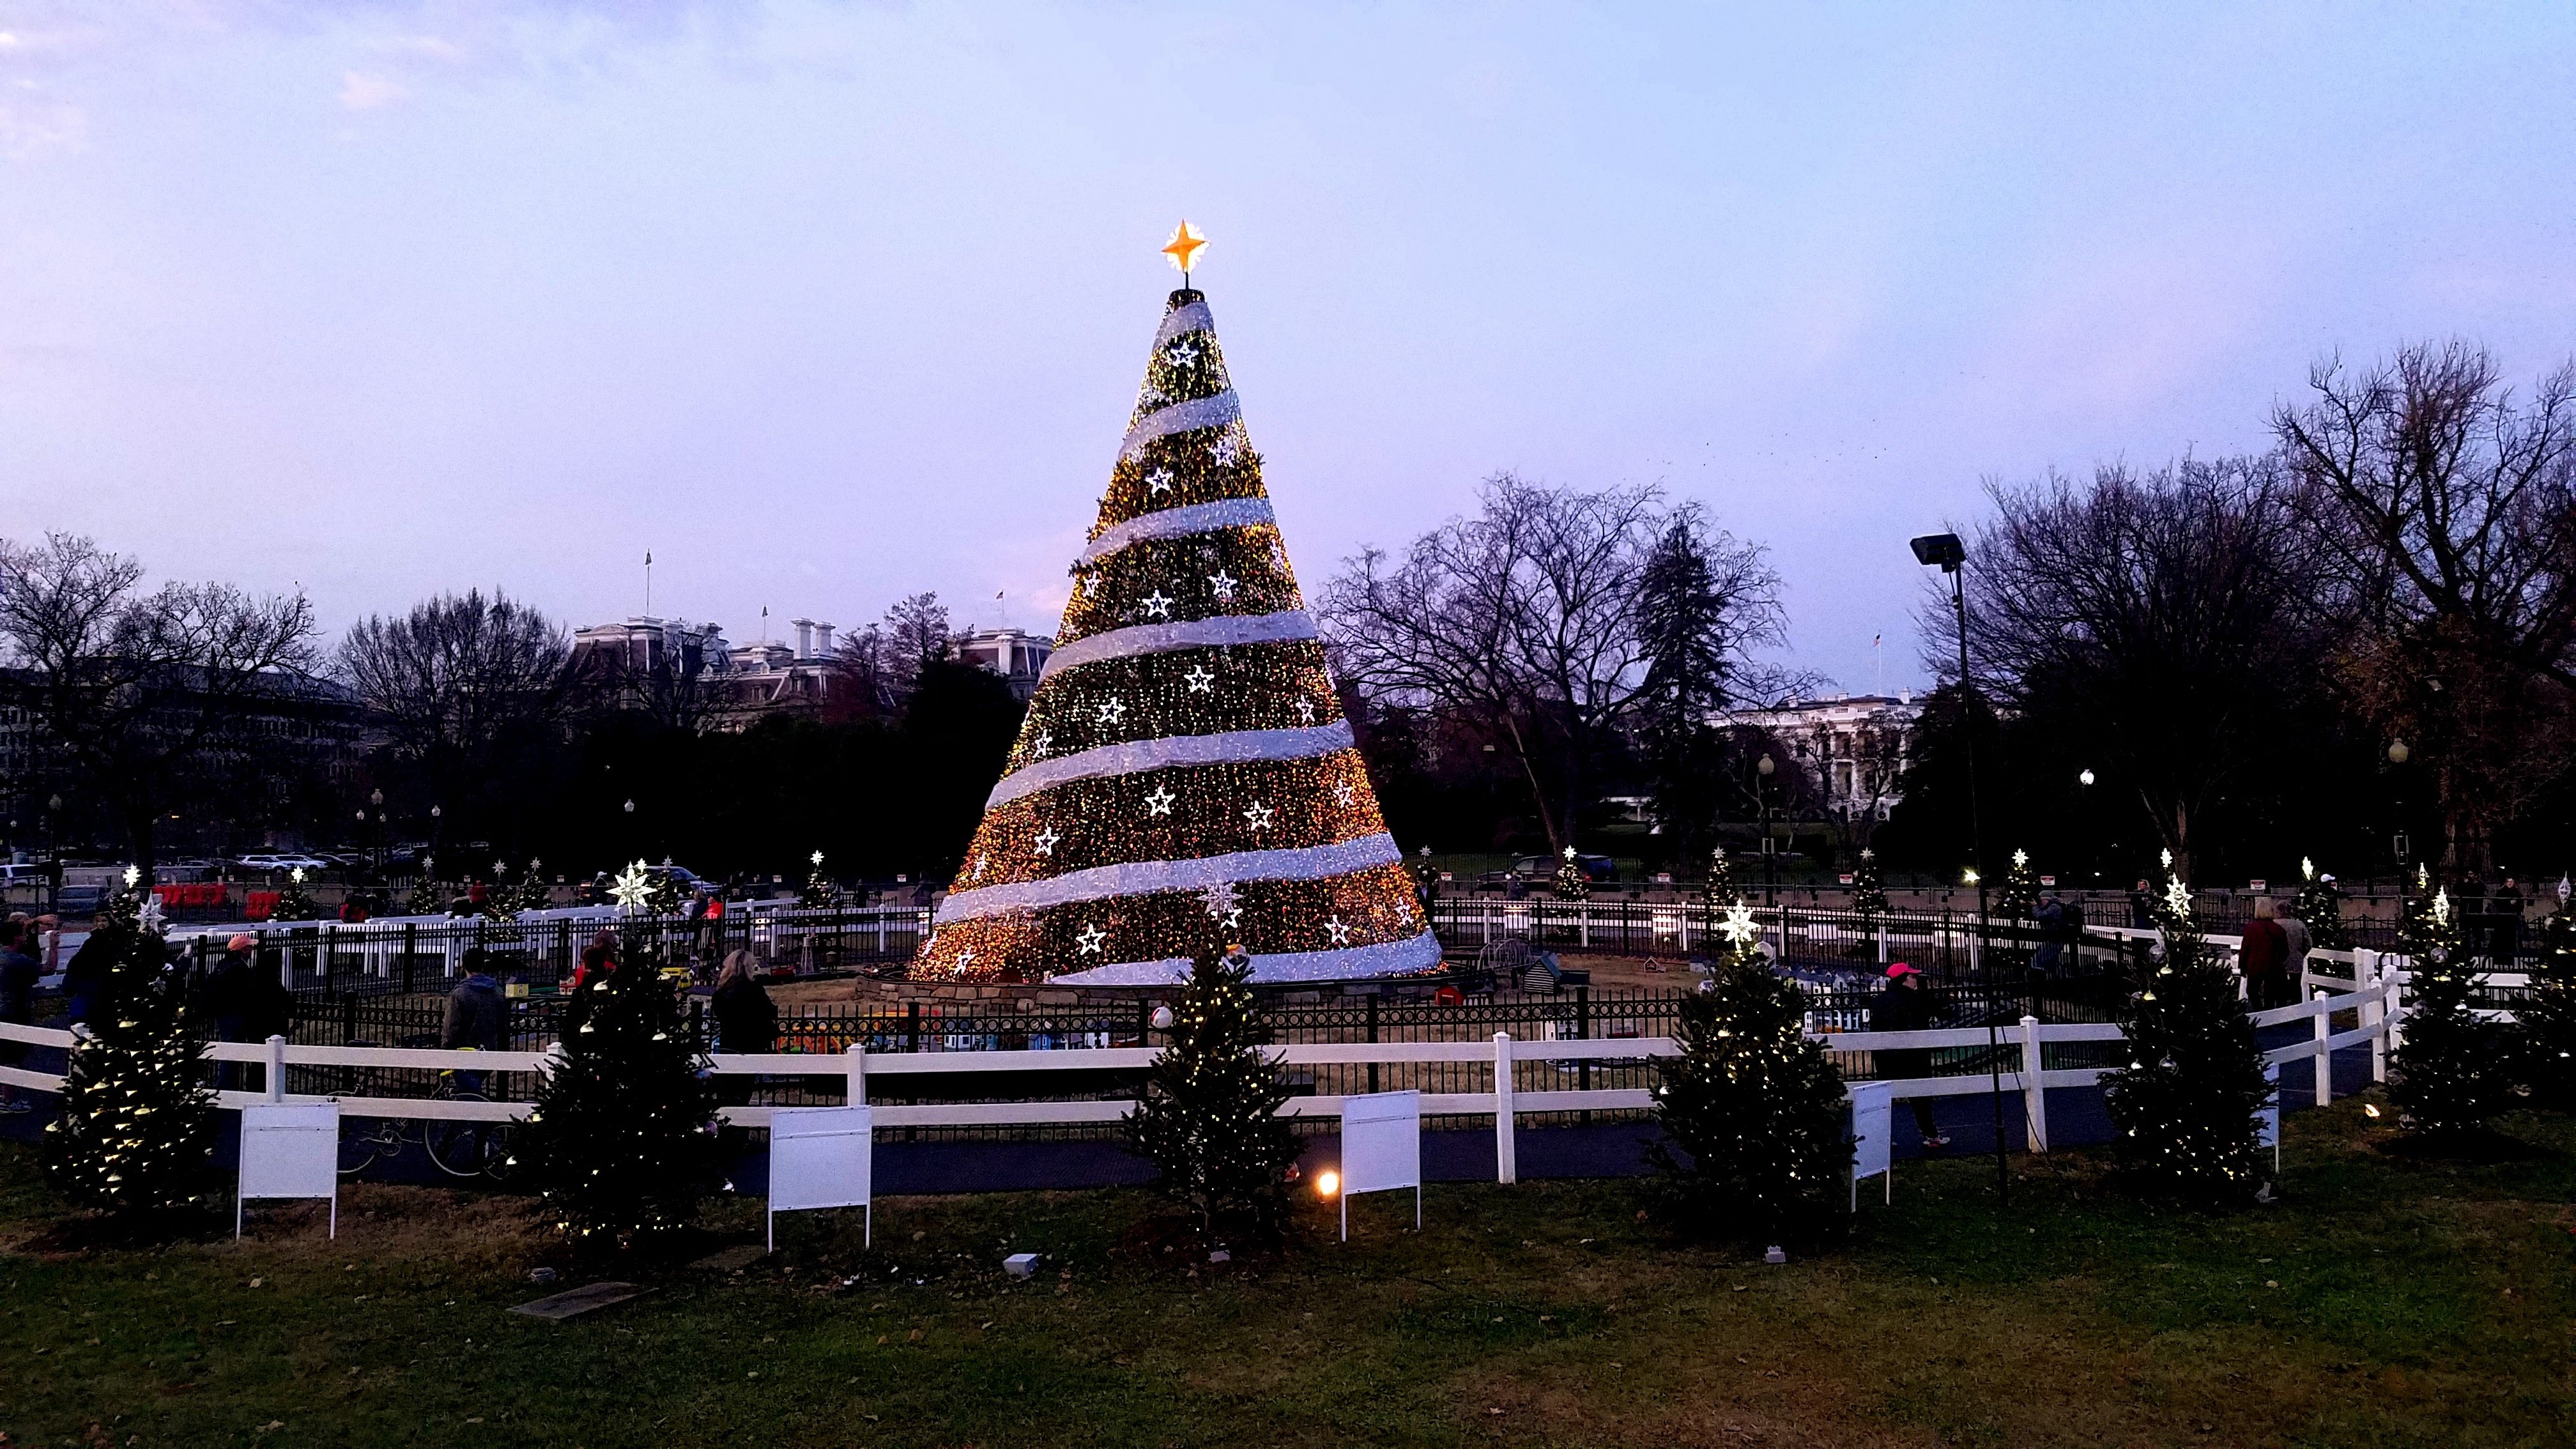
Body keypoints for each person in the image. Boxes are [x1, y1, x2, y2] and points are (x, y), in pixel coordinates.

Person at [1870, 963, 1949, 1149]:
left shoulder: (1880, 1001)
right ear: (1905, 979)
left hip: (1886, 1058)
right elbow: (1922, 1026)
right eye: (1913, 977)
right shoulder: (1915, 1000)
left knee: (1884, 1098)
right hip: (1914, 1057)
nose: (1916, 981)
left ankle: (1883, 1138)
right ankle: (1931, 1136)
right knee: (1921, 1098)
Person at [710, 949, 776, 1108]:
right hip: (750, 1046)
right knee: (743, 1092)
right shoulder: (754, 989)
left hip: (728, 1045)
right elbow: (771, 1012)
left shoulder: (722, 992)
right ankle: (741, 1129)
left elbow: (717, 1012)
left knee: (726, 1092)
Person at [443, 947, 507, 1094]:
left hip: (465, 1052)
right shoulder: (497, 992)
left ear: (464, 966)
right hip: (489, 1051)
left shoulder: (460, 994)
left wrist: (445, 1051)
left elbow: (451, 1028)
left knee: (469, 1097)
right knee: (474, 1091)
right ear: (483, 966)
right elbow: (502, 1026)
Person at [0, 919, 42, 1114]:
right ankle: (7, 1101)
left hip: (4, 1008)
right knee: (13, 1055)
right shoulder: (18, 961)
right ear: (17, 938)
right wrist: (54, 947)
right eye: (23, 935)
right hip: (15, 1010)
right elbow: (47, 969)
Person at [2239, 897, 2290, 1009]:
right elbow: (2285, 951)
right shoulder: (2278, 929)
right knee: (2270, 993)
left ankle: (2259, 1011)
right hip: (2273, 966)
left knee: (2252, 991)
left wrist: (2242, 966)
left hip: (2254, 966)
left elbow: (2245, 949)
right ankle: (2270, 1016)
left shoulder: (2250, 928)